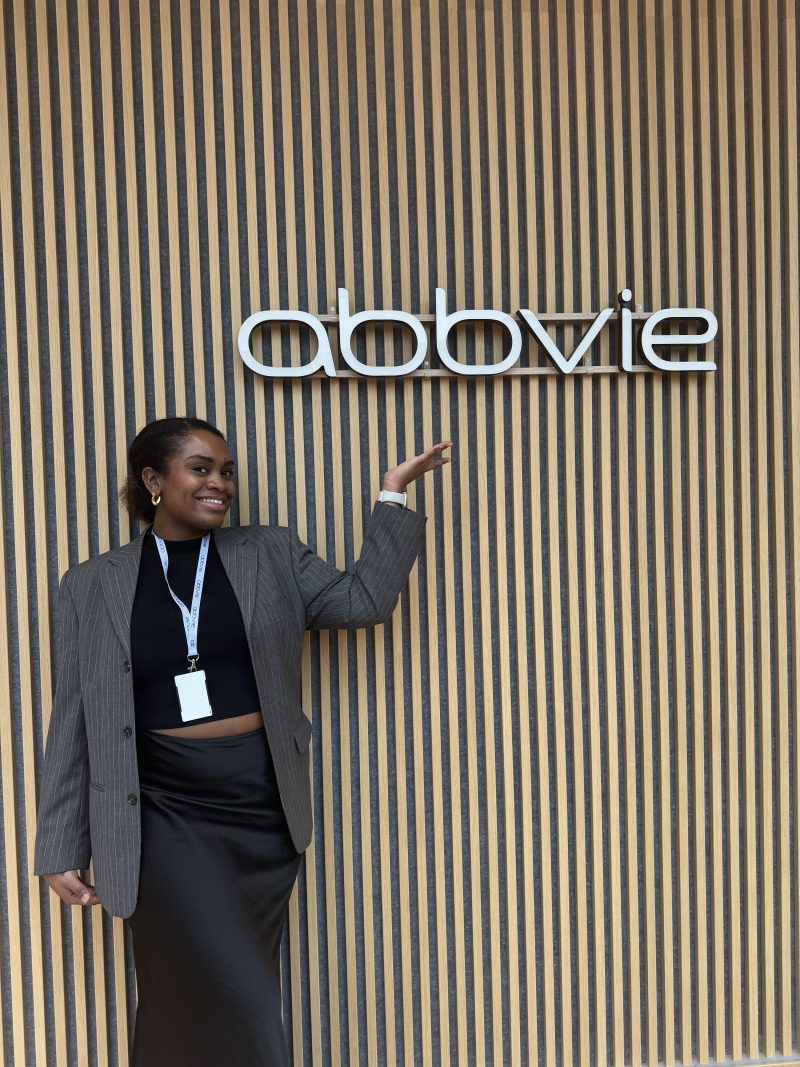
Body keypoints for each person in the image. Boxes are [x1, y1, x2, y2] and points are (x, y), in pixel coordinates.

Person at [33, 415, 451, 1066]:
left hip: (257, 805)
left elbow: (362, 601)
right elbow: (75, 715)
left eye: (226, 472)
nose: (220, 484)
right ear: (153, 480)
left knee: (194, 993)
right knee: (236, 993)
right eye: (200, 468)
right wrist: (61, 843)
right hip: (159, 809)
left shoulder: (271, 553)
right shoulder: (91, 583)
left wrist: (392, 493)